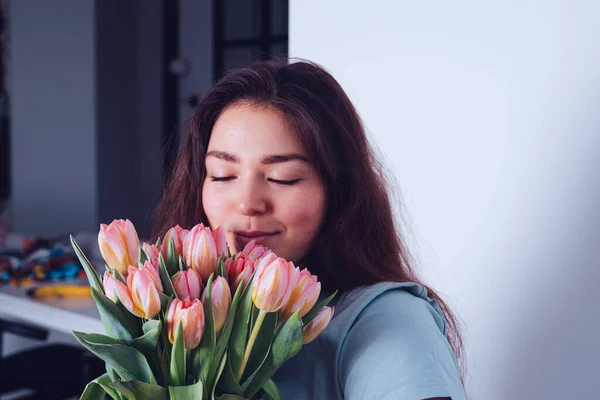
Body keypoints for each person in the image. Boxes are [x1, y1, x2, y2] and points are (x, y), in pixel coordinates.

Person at [152, 59, 468, 400]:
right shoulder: (180, 314)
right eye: (223, 175)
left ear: (338, 189)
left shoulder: (388, 320)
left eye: (282, 178)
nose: (247, 203)